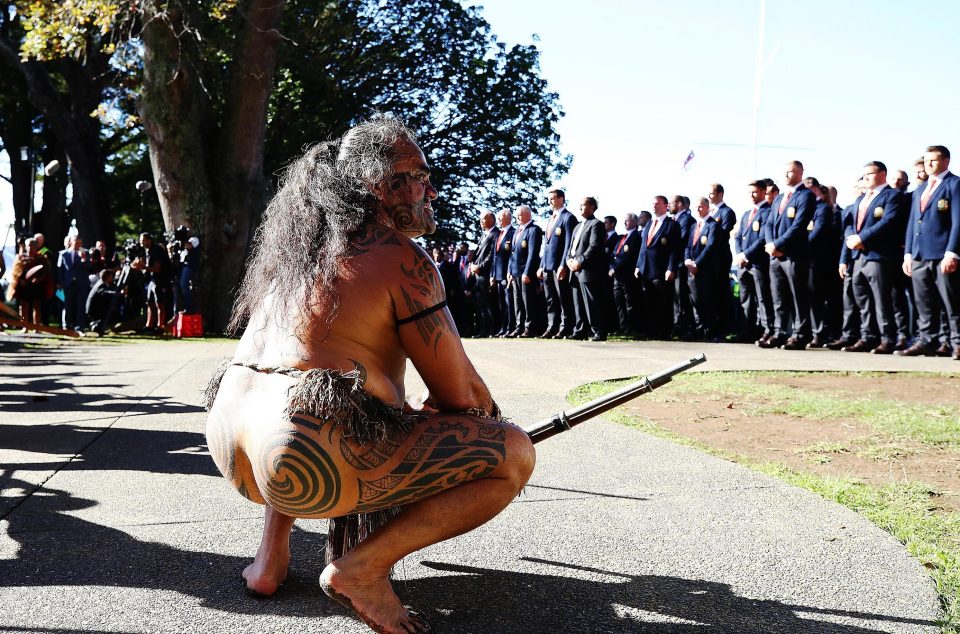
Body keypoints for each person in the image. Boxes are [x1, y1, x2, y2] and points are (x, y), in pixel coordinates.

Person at [204, 117, 535, 633]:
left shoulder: (301, 250)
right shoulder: (402, 260)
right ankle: (361, 569)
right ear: (381, 186)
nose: (431, 188)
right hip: (304, 456)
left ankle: (270, 560)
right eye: (419, 175)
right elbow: (460, 392)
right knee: (511, 454)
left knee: (323, 399)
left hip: (232, 448)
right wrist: (486, 422)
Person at [900, 145, 960, 359]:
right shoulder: (921, 189)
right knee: (924, 302)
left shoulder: (954, 184)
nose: (929, 165)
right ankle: (927, 340)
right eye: (926, 161)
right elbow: (912, 223)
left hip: (942, 253)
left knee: (950, 301)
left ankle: (956, 341)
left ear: (946, 161)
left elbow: (958, 221)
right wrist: (908, 254)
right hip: (919, 255)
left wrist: (952, 252)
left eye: (933, 160)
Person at [842, 161, 906, 354]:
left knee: (882, 299)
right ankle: (867, 336)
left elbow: (888, 222)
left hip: (879, 256)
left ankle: (887, 338)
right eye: (863, 176)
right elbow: (851, 224)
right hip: (859, 256)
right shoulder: (860, 199)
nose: (865, 178)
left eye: (869, 174)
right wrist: (852, 239)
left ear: (882, 175)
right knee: (862, 300)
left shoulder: (892, 196)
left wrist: (862, 238)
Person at [761, 160, 816, 349]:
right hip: (775, 256)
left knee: (797, 296)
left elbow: (799, 226)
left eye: (790, 172)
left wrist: (779, 244)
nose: (786, 175)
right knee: (778, 296)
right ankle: (779, 332)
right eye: (784, 172)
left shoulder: (806, 195)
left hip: (794, 255)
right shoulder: (779, 197)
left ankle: (800, 334)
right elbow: (768, 223)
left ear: (800, 173)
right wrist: (770, 244)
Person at [636, 196, 681, 339]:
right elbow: (643, 247)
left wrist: (671, 268)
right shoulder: (649, 224)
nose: (654, 206)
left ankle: (664, 332)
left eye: (657, 204)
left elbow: (675, 249)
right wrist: (638, 265)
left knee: (663, 302)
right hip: (646, 269)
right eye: (652, 204)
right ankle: (652, 331)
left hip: (661, 270)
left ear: (666, 206)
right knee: (649, 301)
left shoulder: (671, 225)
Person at [735, 180, 774, 344]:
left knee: (763, 299)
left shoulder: (768, 212)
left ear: (763, 191)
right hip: (744, 264)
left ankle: (767, 330)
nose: (751, 195)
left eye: (755, 192)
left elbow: (762, 239)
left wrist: (746, 255)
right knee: (746, 299)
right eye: (749, 192)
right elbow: (738, 236)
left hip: (758, 263)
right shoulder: (746, 214)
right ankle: (746, 331)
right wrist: (739, 255)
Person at [565, 196, 608, 341]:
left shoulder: (596, 224)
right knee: (578, 303)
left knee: (592, 302)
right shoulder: (577, 226)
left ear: (592, 207)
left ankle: (599, 331)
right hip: (574, 270)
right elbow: (571, 248)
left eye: (583, 205)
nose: (580, 208)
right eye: (579, 205)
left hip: (588, 270)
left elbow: (594, 247)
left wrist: (580, 261)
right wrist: (569, 261)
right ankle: (580, 330)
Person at [538, 189, 577, 338]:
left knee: (563, 298)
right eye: (549, 199)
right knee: (550, 299)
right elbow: (546, 244)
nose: (550, 202)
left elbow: (568, 244)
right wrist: (541, 265)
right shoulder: (551, 218)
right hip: (547, 265)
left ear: (561, 199)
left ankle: (565, 326)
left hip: (558, 265)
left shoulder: (568, 218)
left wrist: (563, 264)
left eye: (553, 198)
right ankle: (552, 326)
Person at [685, 197, 722, 341]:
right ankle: (699, 328)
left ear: (707, 207)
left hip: (706, 270)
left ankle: (710, 330)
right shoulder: (694, 226)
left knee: (708, 301)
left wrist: (697, 264)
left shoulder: (713, 225)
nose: (698, 209)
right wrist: (688, 260)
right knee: (695, 301)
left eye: (701, 207)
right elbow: (688, 246)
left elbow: (710, 247)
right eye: (696, 207)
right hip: (692, 270)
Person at [508, 204, 543, 337]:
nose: (517, 217)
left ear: (528, 215)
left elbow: (533, 253)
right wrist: (510, 271)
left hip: (525, 273)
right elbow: (512, 253)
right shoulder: (517, 231)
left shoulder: (534, 230)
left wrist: (527, 272)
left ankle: (530, 327)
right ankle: (519, 326)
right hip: (515, 272)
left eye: (520, 214)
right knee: (518, 302)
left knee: (528, 301)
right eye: (516, 214)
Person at [7, 238, 53, 330]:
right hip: (24, 286)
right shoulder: (20, 258)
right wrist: (20, 280)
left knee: (37, 307)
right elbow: (16, 272)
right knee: (23, 307)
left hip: (37, 286)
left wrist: (39, 279)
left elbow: (46, 272)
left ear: (36, 246)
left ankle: (36, 327)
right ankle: (25, 327)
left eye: (32, 245)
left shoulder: (41, 258)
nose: (30, 247)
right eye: (28, 245)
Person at [610, 213, 642, 335]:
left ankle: (632, 327)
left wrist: (615, 268)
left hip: (627, 275)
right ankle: (622, 325)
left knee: (630, 302)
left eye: (627, 221)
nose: (625, 223)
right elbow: (614, 254)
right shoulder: (622, 237)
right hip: (617, 276)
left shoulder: (636, 236)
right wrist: (611, 267)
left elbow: (628, 256)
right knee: (619, 302)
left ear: (634, 222)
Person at [469, 211, 498, 337]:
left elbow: (492, 255)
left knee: (488, 304)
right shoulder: (483, 235)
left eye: (484, 219)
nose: (481, 221)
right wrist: (472, 265)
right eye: (480, 219)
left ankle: (490, 329)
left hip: (486, 274)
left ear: (492, 220)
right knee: (480, 305)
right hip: (477, 275)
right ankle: (482, 329)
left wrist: (479, 267)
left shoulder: (495, 234)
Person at [57, 235, 91, 332]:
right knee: (67, 305)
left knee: (80, 306)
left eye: (80, 243)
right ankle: (67, 325)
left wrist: (84, 260)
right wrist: (60, 283)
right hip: (68, 284)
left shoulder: (85, 253)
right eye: (76, 242)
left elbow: (89, 268)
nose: (77, 244)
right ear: (71, 242)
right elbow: (60, 269)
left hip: (81, 283)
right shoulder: (63, 254)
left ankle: (80, 326)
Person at [491, 209, 515, 337]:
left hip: (507, 274)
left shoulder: (513, 233)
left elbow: (512, 256)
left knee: (508, 303)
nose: (499, 220)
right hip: (498, 275)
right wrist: (492, 275)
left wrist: (509, 272)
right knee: (501, 304)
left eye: (501, 218)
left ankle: (510, 328)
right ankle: (503, 328)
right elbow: (495, 256)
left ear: (508, 218)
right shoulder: (499, 234)